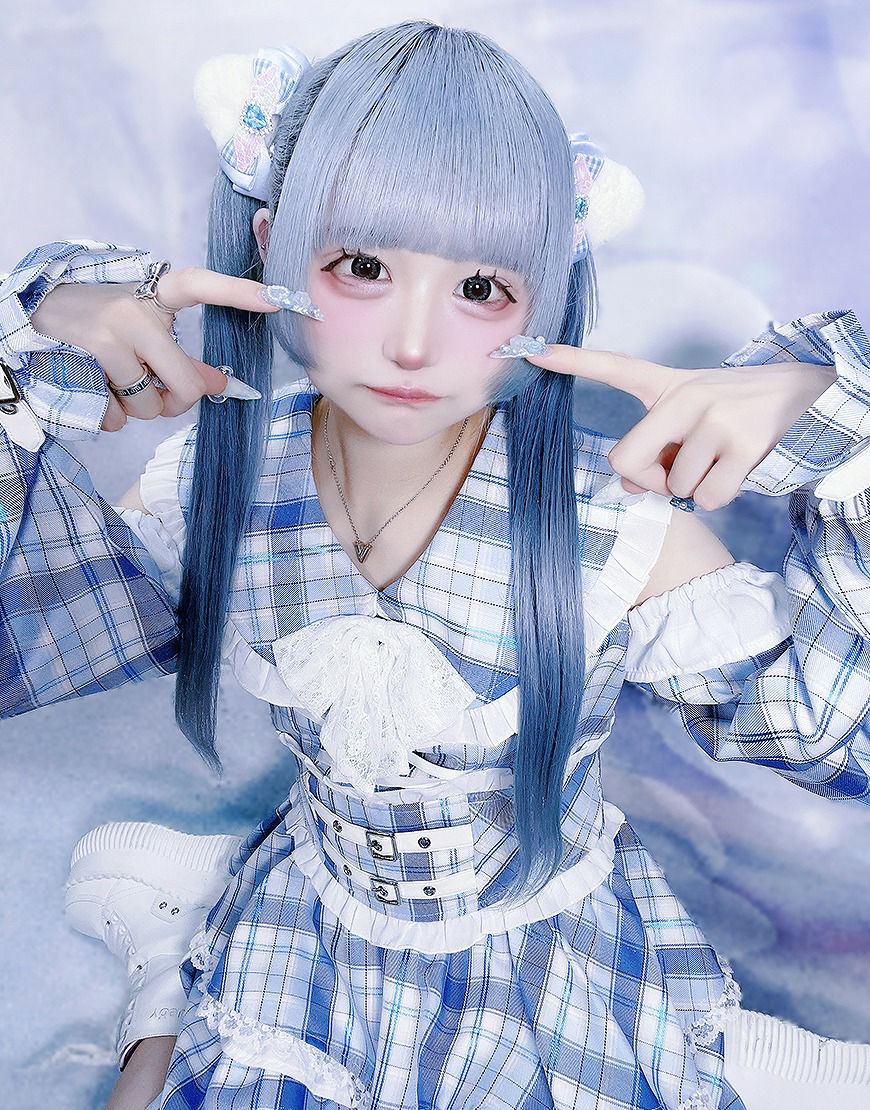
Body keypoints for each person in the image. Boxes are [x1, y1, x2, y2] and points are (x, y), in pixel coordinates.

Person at [2, 19, 870, 1110]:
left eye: (482, 289)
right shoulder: (220, 475)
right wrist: (21, 360)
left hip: (540, 958)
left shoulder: (605, 525)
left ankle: (717, 1046)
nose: (413, 344)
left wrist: (839, 426)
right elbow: (31, 637)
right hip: (313, 924)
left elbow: (839, 735)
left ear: (548, 293)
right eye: (363, 267)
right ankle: (170, 981)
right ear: (271, 244)